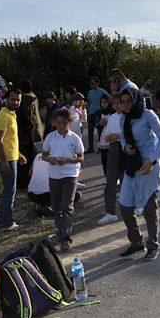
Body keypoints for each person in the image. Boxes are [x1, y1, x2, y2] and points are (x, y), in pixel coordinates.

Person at [118, 88, 160, 261]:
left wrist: (153, 160)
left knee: (149, 209)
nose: (125, 105)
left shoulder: (148, 115)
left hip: (149, 166)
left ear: (136, 100)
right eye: (122, 101)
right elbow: (122, 139)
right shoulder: (123, 118)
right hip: (132, 166)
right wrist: (125, 147)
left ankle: (153, 245)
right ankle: (136, 241)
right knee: (124, 205)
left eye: (128, 101)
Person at [42, 108, 85, 252]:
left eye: (63, 123)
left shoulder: (74, 138)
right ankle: (60, 231)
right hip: (54, 175)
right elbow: (44, 155)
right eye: (58, 123)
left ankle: (65, 239)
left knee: (67, 206)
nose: (60, 126)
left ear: (69, 123)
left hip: (70, 175)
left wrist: (68, 160)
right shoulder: (50, 137)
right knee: (56, 207)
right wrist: (51, 159)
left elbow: (81, 157)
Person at [0, 88, 27, 231]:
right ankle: (6, 221)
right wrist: (4, 161)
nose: (16, 102)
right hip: (5, 159)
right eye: (13, 99)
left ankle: (3, 218)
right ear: (6, 99)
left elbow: (9, 140)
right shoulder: (3, 116)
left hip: (11, 157)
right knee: (9, 190)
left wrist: (18, 154)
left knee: (10, 189)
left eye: (18, 99)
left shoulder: (11, 114)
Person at [97, 93, 124, 225]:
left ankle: (135, 206)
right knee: (110, 180)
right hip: (113, 149)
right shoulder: (112, 117)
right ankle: (110, 212)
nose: (116, 105)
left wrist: (117, 136)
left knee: (128, 180)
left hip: (126, 148)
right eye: (114, 103)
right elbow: (107, 137)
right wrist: (115, 137)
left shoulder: (128, 116)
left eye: (119, 102)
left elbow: (128, 135)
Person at [27, 152, 82, 218]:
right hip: (49, 195)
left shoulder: (38, 155)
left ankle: (39, 205)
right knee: (76, 195)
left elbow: (30, 173)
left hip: (31, 195)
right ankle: (59, 208)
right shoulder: (61, 156)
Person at [86, 77, 108, 154]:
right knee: (90, 131)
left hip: (99, 112)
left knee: (99, 130)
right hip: (91, 112)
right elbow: (89, 102)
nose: (92, 85)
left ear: (97, 83)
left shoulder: (102, 91)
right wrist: (87, 112)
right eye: (91, 83)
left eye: (93, 83)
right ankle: (90, 148)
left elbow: (108, 98)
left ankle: (100, 147)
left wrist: (104, 107)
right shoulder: (90, 92)